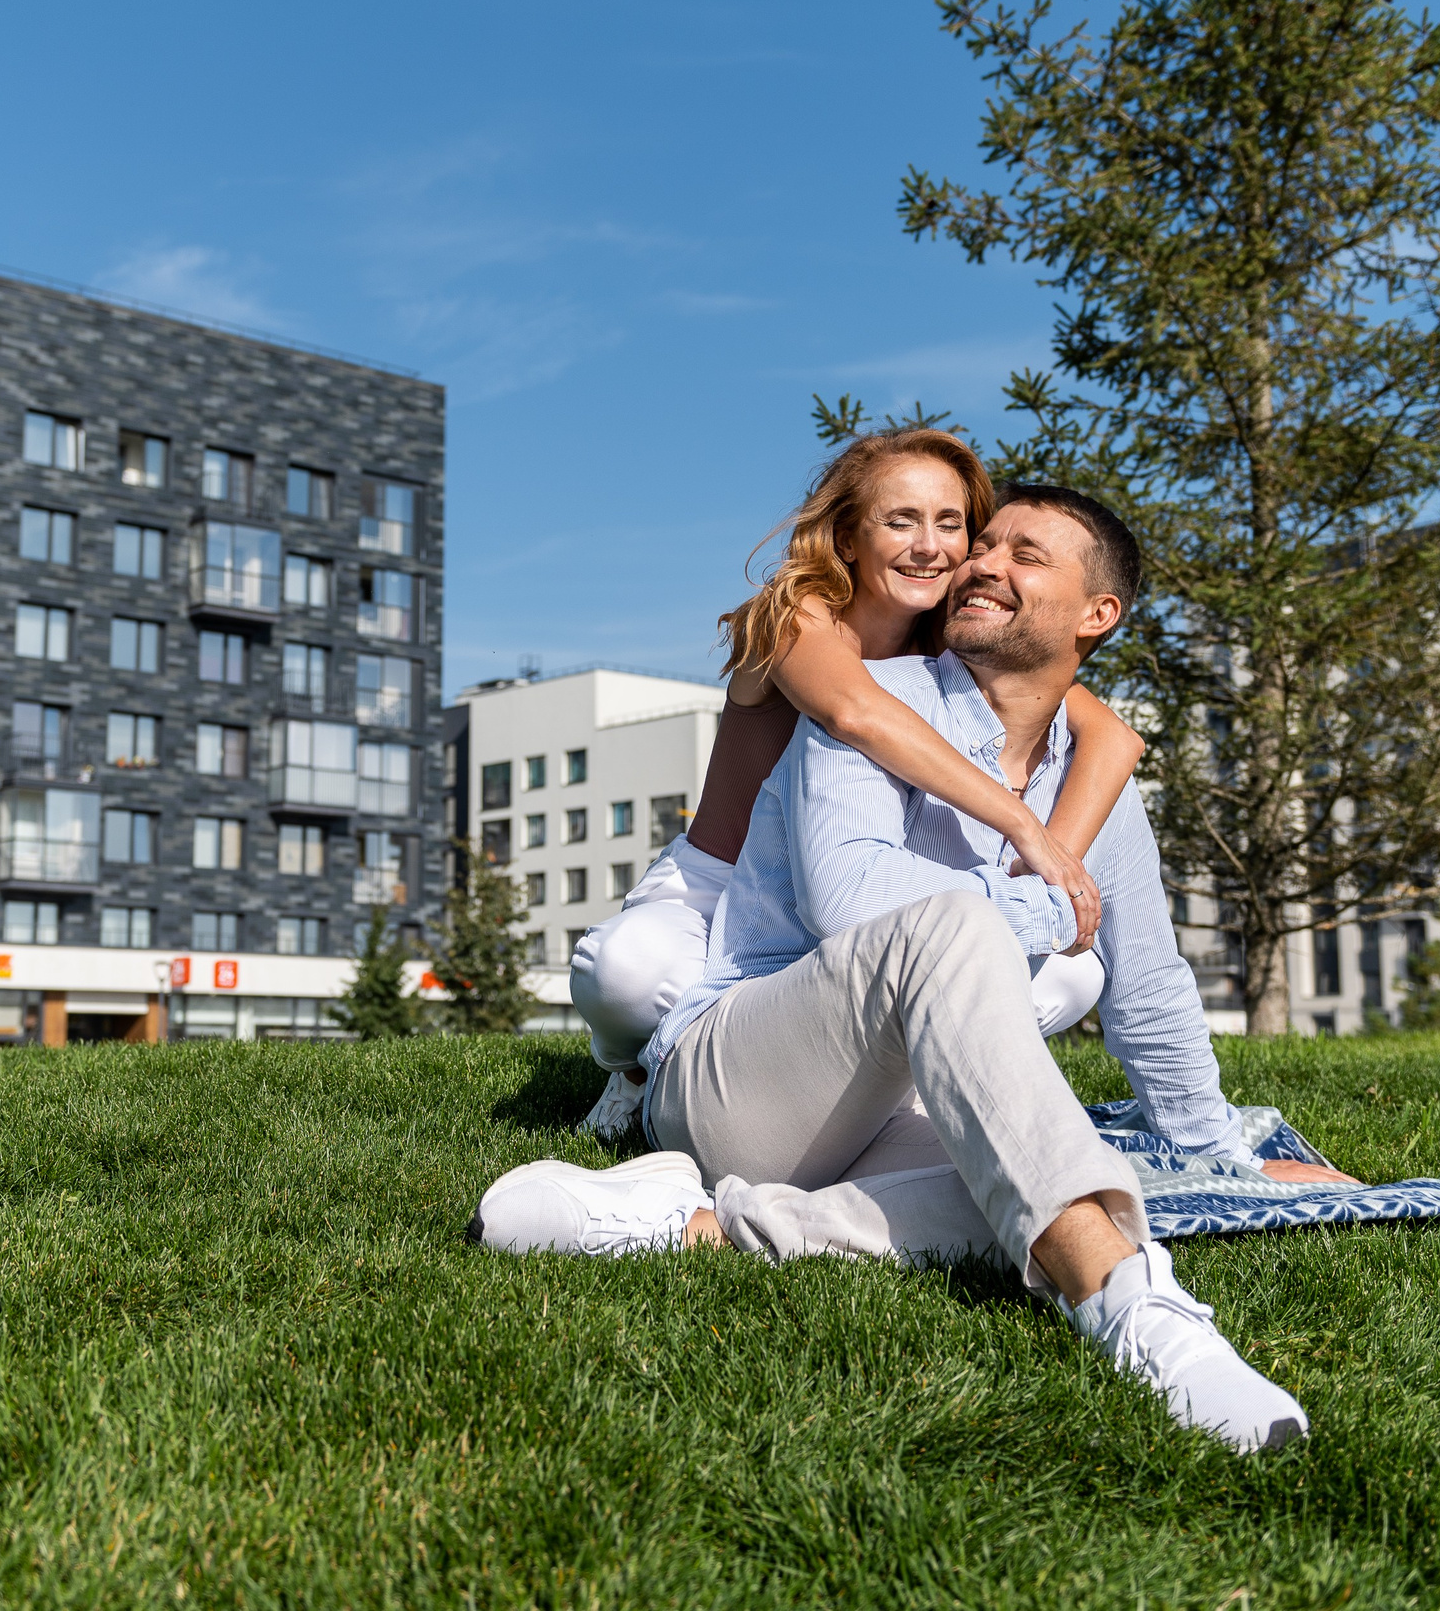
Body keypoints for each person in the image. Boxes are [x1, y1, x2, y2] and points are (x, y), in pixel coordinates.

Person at [476, 486, 1358, 1453]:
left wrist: (1215, 1157)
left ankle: (697, 1223)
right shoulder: (868, 705)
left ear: (1097, 615)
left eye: (1027, 554)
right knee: (954, 931)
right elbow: (856, 905)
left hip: (900, 1109)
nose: (983, 562)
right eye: (986, 545)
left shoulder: (1100, 787)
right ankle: (1139, 1314)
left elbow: (1150, 994)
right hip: (746, 1075)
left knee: (1027, 1174)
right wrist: (1049, 901)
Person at [568, 430, 1145, 1133]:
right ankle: (633, 1068)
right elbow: (855, 710)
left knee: (1072, 970)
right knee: (627, 971)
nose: (929, 545)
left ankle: (902, 1083)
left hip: (862, 889)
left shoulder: (958, 633)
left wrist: (1049, 872)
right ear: (846, 536)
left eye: (951, 523)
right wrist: (1022, 826)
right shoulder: (790, 615)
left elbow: (1113, 737)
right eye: (900, 521)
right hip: (724, 892)